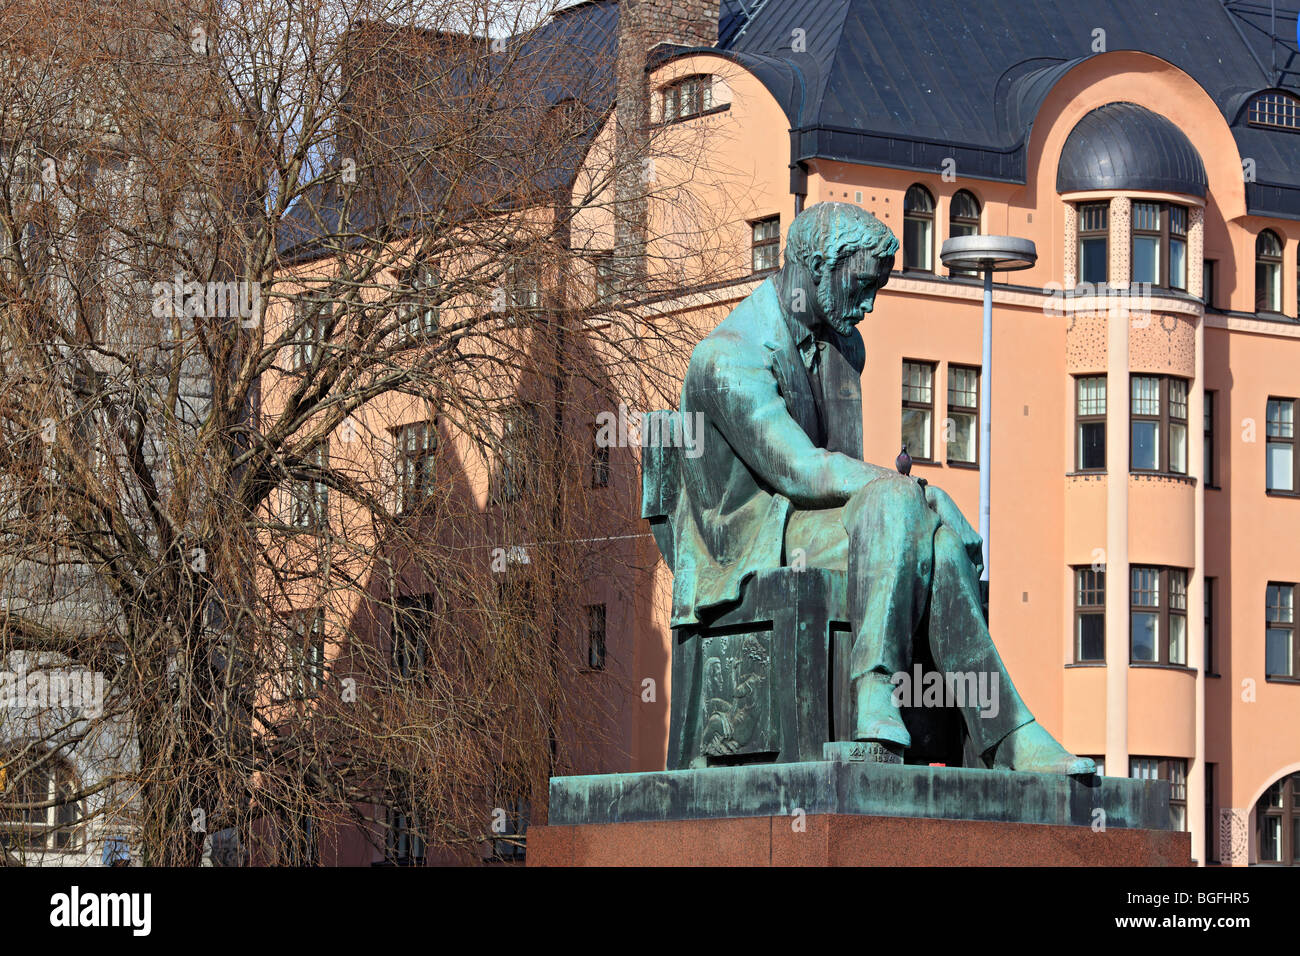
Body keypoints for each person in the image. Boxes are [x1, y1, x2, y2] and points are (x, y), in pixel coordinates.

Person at [670, 201, 1093, 774]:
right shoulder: (727, 358)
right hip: (751, 541)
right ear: (818, 266)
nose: (869, 305)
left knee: (939, 548)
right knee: (904, 503)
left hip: (814, 522)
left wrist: (909, 501)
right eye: (863, 285)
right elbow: (800, 470)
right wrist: (917, 495)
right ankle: (878, 692)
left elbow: (845, 476)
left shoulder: (843, 347)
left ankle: (1006, 734)